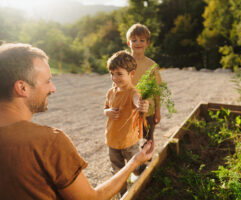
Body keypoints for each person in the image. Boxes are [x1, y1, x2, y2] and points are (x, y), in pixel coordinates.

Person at [0, 43, 154, 200]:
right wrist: (135, 162)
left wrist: (141, 105)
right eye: (47, 81)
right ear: (22, 87)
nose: (53, 88)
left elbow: (137, 100)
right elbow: (91, 198)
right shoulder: (49, 142)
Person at [104, 50, 150, 196]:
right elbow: (105, 108)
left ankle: (144, 177)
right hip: (112, 140)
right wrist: (108, 111)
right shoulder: (111, 92)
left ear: (131, 74)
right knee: (117, 172)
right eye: (112, 73)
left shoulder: (133, 92)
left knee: (135, 167)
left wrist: (143, 106)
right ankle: (123, 195)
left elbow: (139, 104)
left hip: (129, 141)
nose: (114, 78)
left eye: (119, 74)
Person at [126, 23, 162, 142]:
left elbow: (156, 90)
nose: (138, 43)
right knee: (130, 143)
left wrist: (157, 111)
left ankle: (146, 160)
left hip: (148, 112)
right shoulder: (124, 64)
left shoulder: (152, 65)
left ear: (147, 43)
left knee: (148, 141)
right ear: (128, 43)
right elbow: (117, 87)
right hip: (129, 111)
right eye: (134, 40)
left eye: (142, 40)